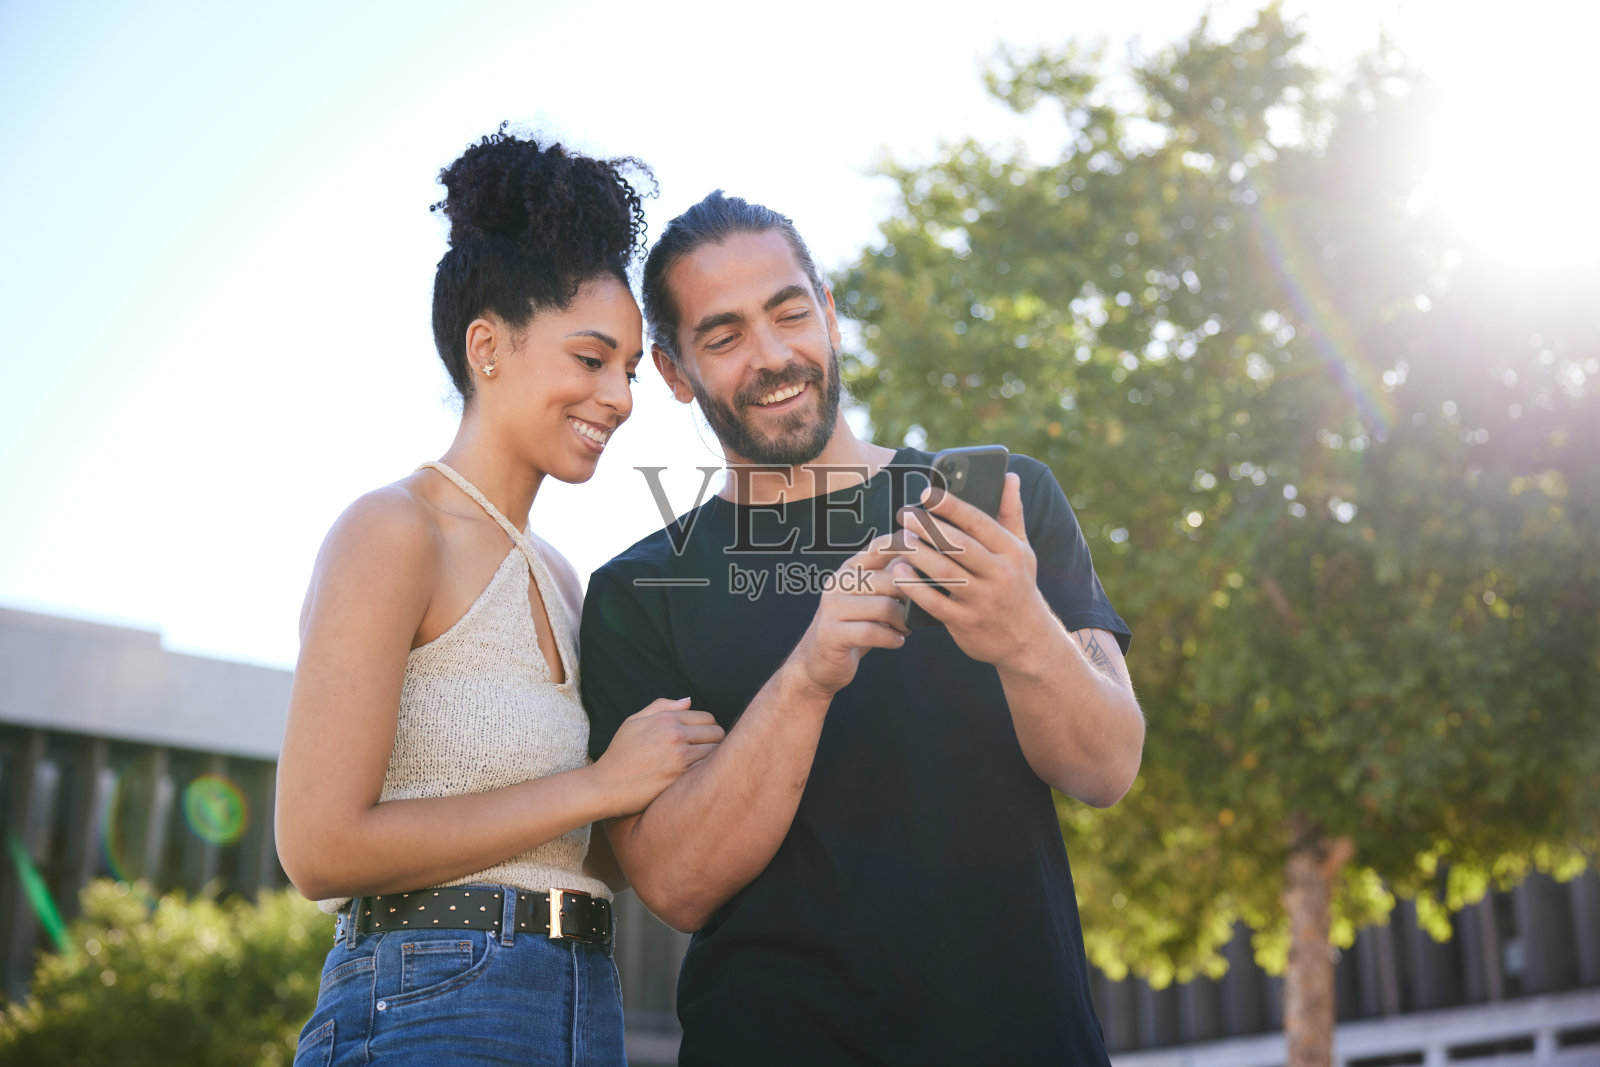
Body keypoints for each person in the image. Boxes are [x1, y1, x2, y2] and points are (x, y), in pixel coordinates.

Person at [578, 192, 1146, 1065]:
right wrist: (808, 675)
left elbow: (1108, 767)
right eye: (725, 337)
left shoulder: (1001, 506)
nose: (774, 356)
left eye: (789, 313)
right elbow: (675, 885)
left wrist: (1022, 631)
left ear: (830, 313)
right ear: (675, 371)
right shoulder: (638, 592)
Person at [274, 127, 724, 1067]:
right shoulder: (394, 530)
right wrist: (600, 783)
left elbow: (567, 848)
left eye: (629, 369)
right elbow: (319, 847)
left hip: (580, 1002)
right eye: (591, 359)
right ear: (487, 346)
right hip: (429, 999)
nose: (621, 397)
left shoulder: (564, 578)